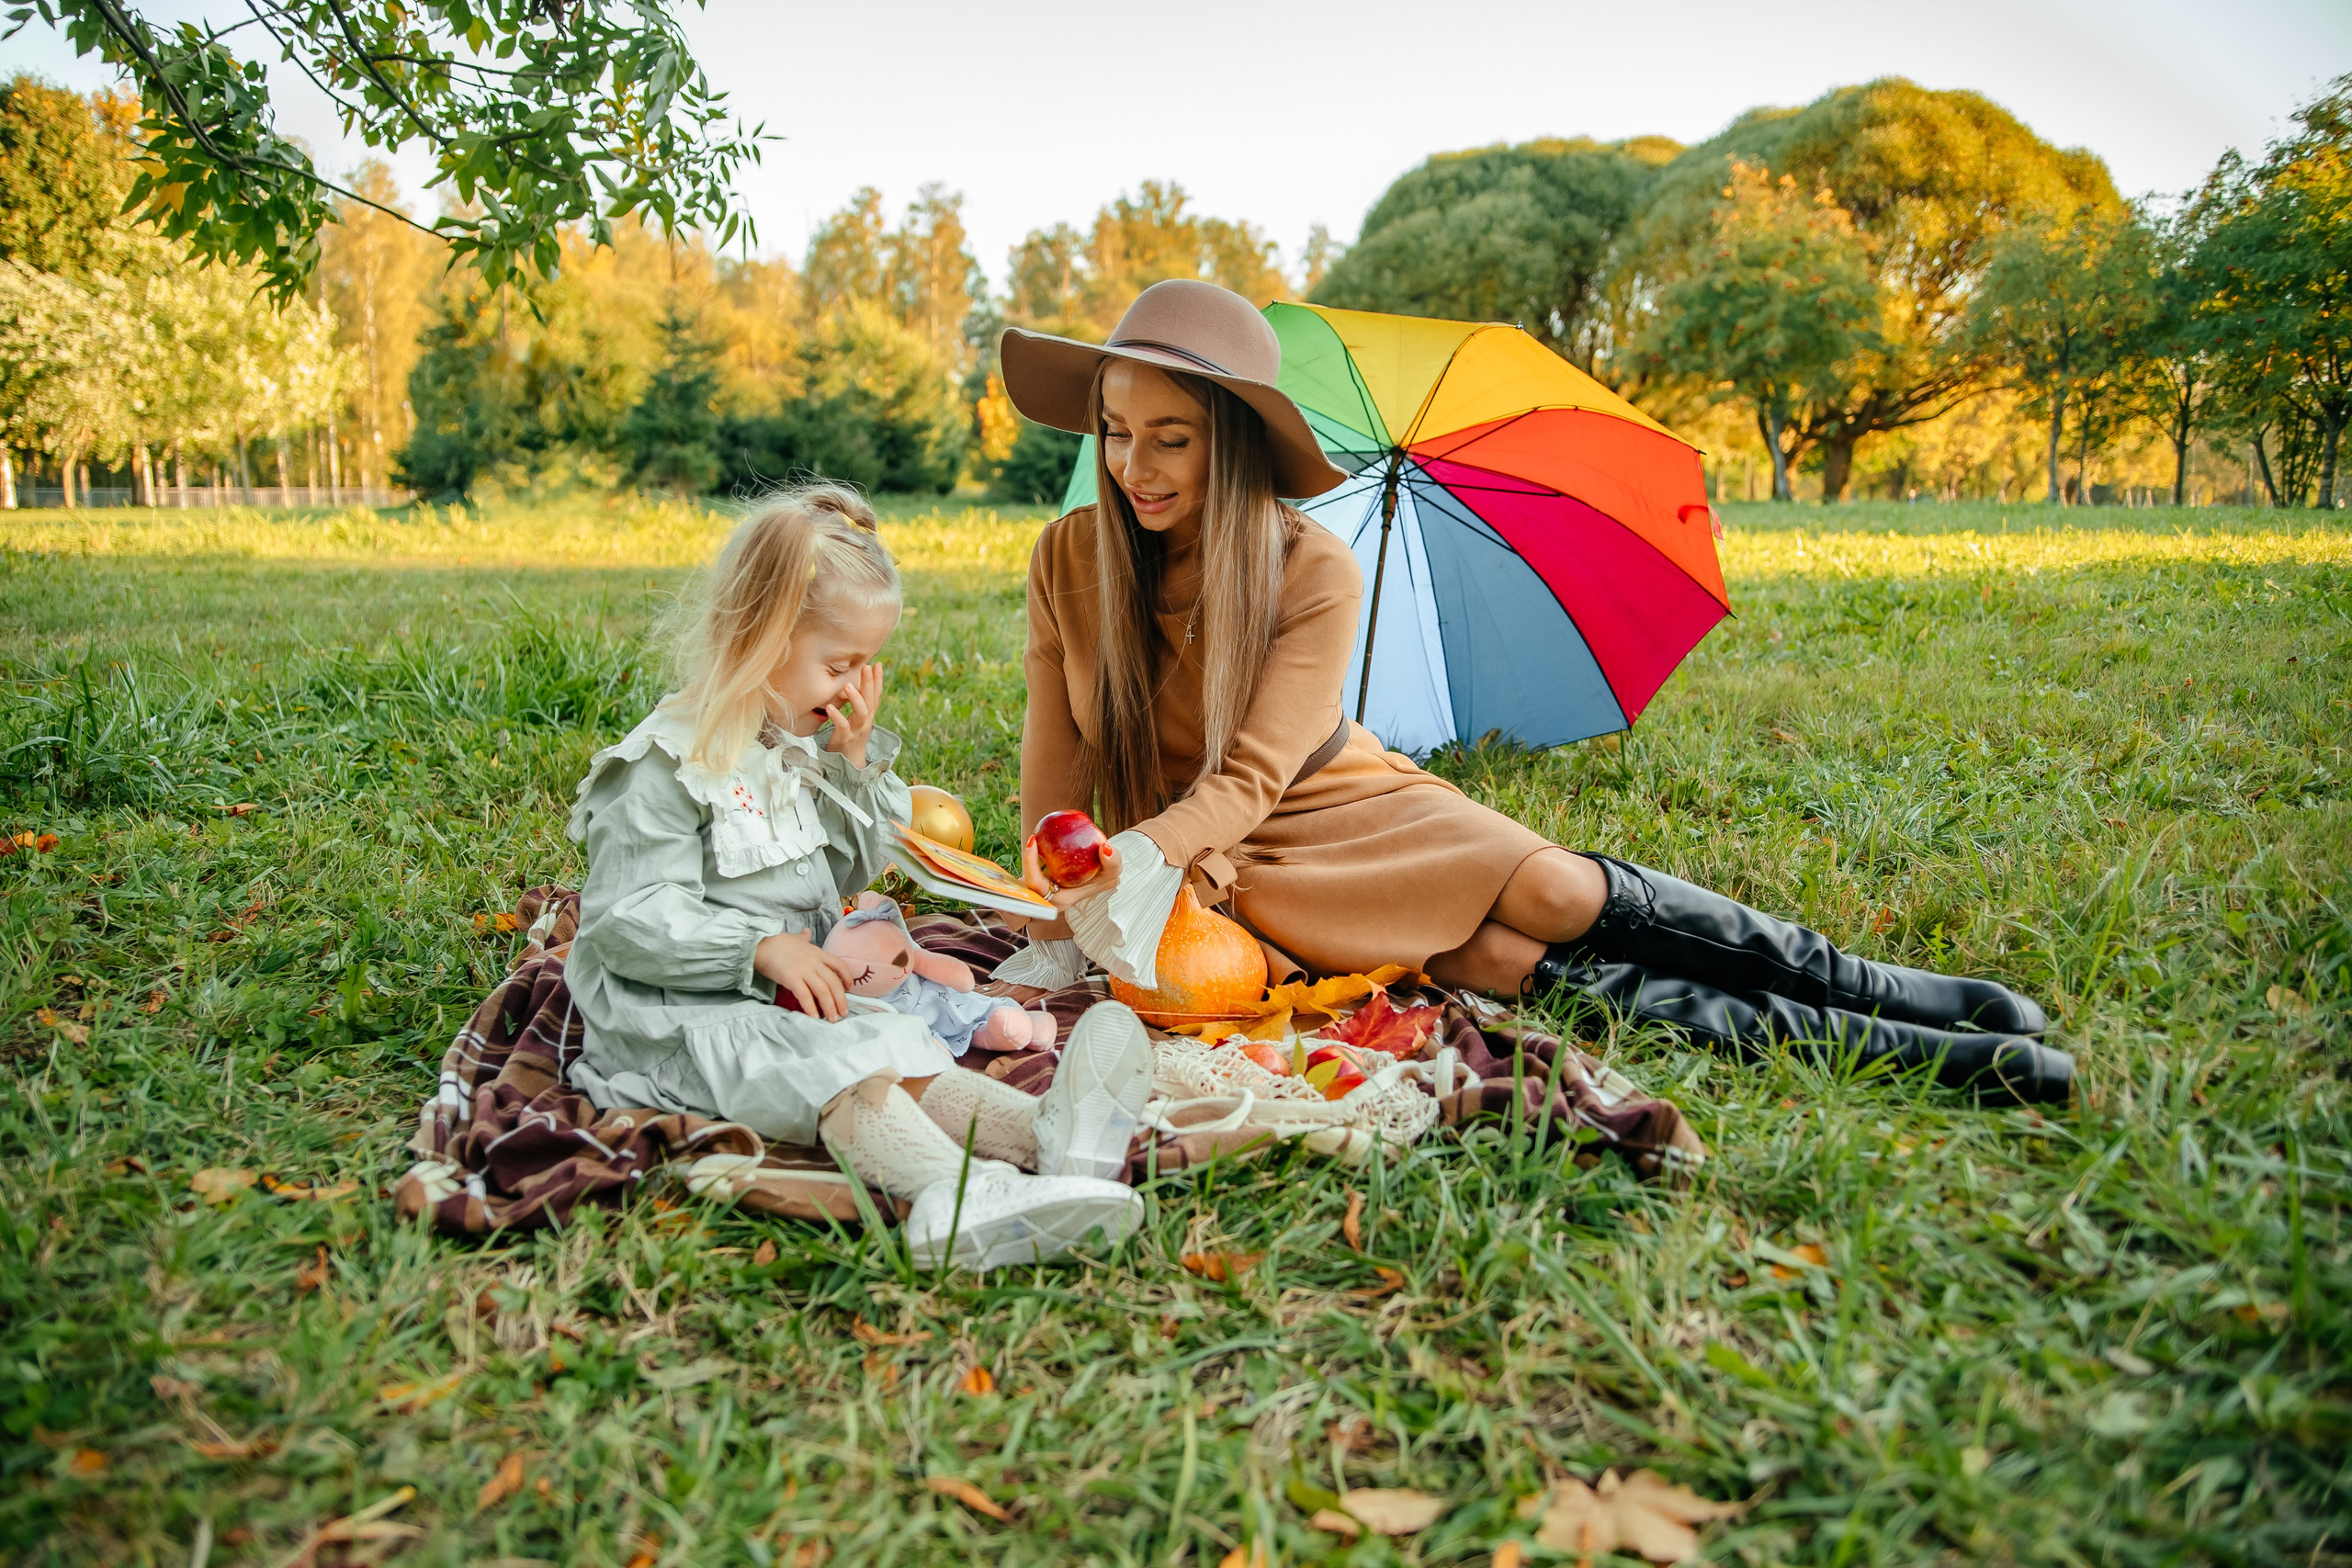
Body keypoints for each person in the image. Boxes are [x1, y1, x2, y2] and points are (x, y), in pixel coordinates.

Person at [993, 280, 2072, 1105]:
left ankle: (1867, 988)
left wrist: (1144, 851)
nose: (1133, 466)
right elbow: (1057, 764)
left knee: (1553, 894)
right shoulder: (1066, 559)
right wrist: (1058, 887)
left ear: (1229, 442)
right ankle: (1878, 1049)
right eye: (1116, 431)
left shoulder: (1309, 565)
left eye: (1170, 439)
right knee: (1500, 961)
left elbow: (1257, 772)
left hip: (1323, 799)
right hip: (1212, 865)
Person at [562, 483, 1156, 1267]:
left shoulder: (788, 750)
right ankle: (952, 1194)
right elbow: (626, 917)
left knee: (893, 1040)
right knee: (840, 1068)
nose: (853, 686)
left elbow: (843, 870)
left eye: (864, 666)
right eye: (838, 664)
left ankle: (1049, 1138)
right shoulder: (666, 767)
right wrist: (757, 948)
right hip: (682, 1020)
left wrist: (850, 768)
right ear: (761, 637)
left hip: (784, 1001)